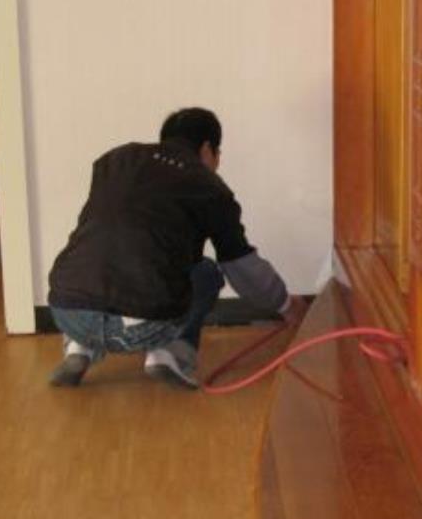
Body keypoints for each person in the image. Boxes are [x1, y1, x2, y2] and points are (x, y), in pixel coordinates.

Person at [46, 107, 305, 389]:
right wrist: (285, 304)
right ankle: (169, 355)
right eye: (218, 154)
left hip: (67, 310)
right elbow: (241, 267)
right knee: (206, 272)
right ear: (207, 149)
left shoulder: (114, 161)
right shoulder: (210, 187)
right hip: (143, 325)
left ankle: (78, 347)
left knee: (92, 257)